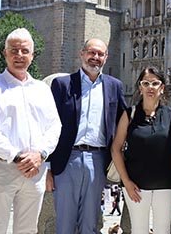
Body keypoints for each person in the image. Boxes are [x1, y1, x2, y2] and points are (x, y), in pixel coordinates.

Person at [0, 28, 62, 234]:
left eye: (24, 51)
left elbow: (54, 126)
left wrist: (39, 154)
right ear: (5, 53)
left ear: (32, 55)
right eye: (14, 50)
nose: (19, 55)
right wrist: (17, 156)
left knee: (28, 230)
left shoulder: (42, 89)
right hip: (1, 168)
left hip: (35, 170)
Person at [47, 38, 128, 234]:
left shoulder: (114, 86)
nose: (95, 58)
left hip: (98, 159)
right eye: (91, 53)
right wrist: (47, 167)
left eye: (100, 54)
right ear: (82, 54)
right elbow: (48, 125)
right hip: (67, 159)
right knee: (65, 223)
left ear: (106, 58)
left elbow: (124, 122)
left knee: (90, 223)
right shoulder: (62, 84)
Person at [111, 67, 171, 234]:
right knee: (139, 230)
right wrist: (126, 182)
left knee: (163, 230)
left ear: (162, 88)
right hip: (135, 186)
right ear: (140, 87)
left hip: (166, 184)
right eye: (146, 83)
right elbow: (116, 149)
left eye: (155, 83)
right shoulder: (130, 114)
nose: (151, 87)